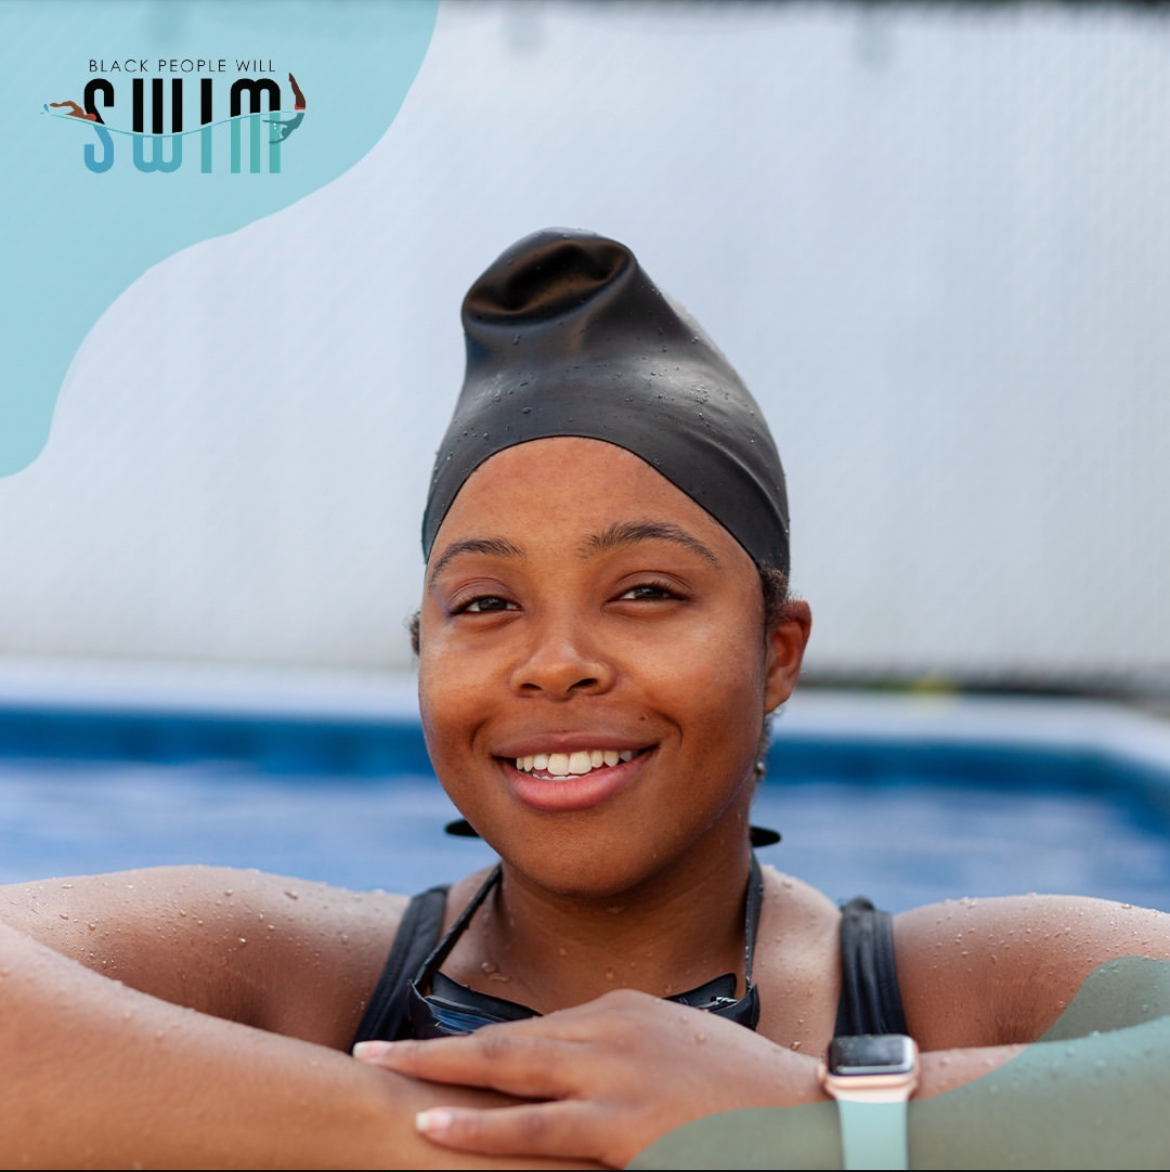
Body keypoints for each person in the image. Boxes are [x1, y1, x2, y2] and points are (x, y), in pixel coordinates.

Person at [1, 229, 1168, 1170]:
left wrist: (830, 1116)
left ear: (776, 651)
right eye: (484, 604)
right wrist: (461, 1135)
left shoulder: (944, 990)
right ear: (421, 651)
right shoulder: (298, 978)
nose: (554, 661)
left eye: (646, 588)